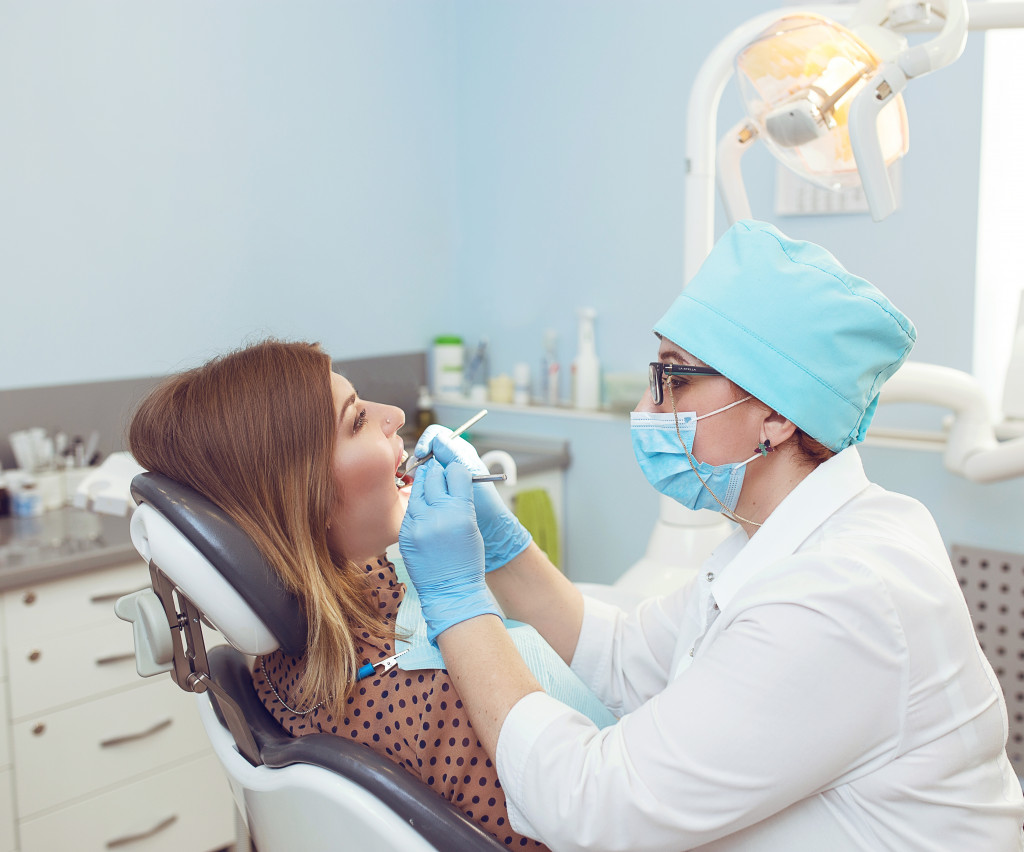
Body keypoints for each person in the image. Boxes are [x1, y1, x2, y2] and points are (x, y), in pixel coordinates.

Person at [399, 219, 1024, 851]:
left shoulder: (837, 597)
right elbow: (627, 657)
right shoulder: (781, 537)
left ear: (777, 414)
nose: (648, 410)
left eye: (675, 378)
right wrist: (505, 551)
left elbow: (594, 807)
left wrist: (458, 604)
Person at [126, 339, 550, 850]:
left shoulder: (283, 672)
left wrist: (501, 555)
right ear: (302, 500)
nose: (393, 416)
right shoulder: (433, 691)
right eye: (356, 422)